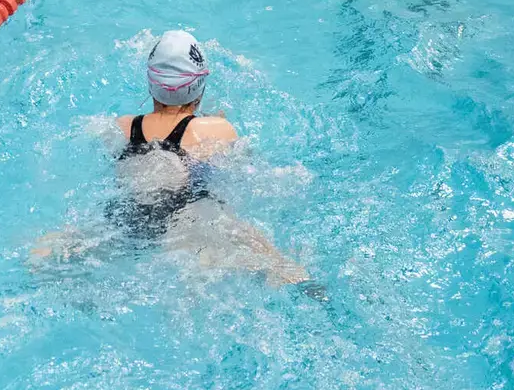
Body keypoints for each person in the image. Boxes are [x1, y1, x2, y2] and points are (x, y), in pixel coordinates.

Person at [33, 30, 318, 294]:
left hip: (127, 220)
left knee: (46, 250)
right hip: (189, 218)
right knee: (278, 262)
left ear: (151, 83)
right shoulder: (216, 129)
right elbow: (246, 172)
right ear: (199, 86)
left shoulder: (120, 127)